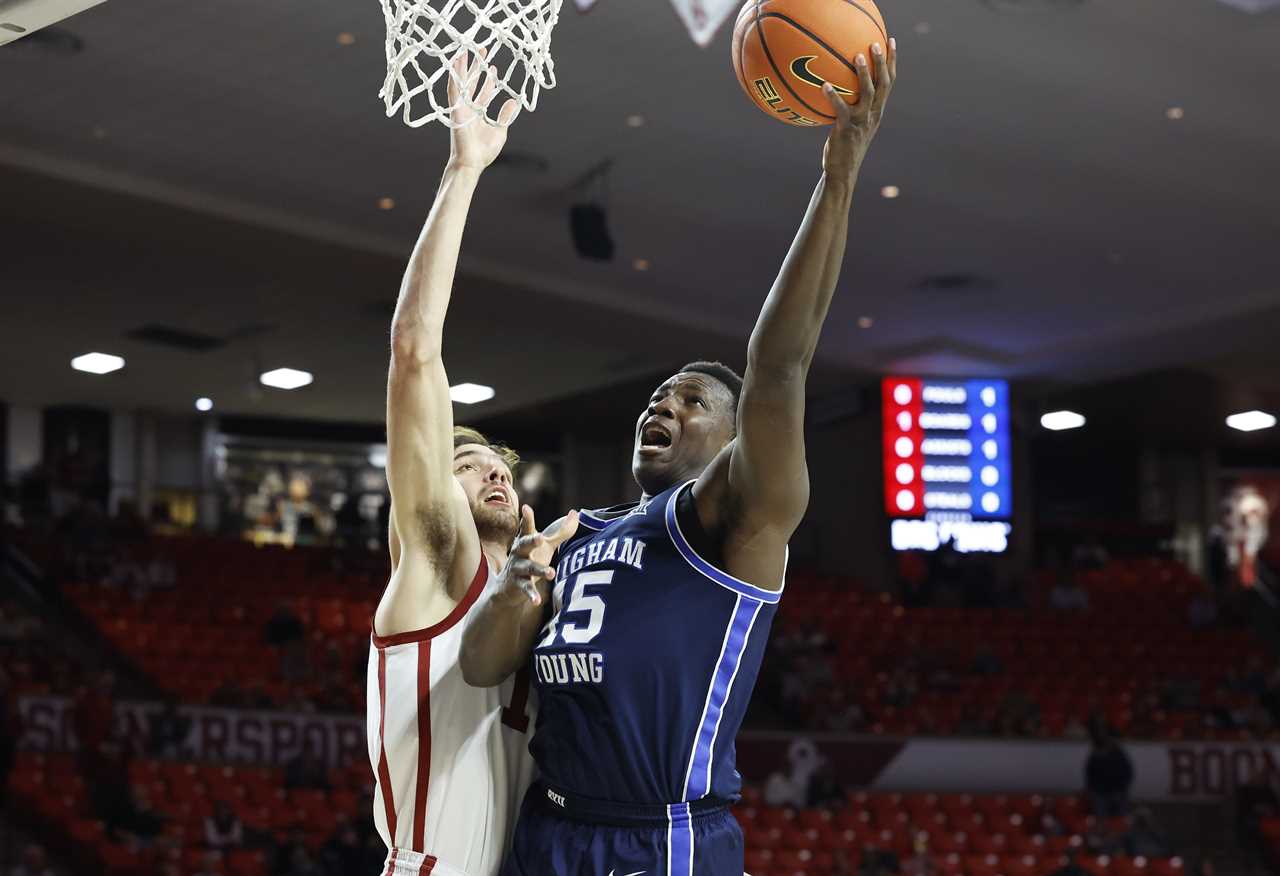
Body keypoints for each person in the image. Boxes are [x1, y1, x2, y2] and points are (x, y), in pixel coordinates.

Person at [461, 37, 897, 876]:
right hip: (547, 829)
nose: (663, 403)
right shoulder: (573, 530)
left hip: (660, 838)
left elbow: (779, 364)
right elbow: (484, 665)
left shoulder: (732, 520)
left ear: (736, 442)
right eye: (658, 394)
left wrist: (837, 177)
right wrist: (520, 583)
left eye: (693, 400)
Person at [363, 51, 553, 876]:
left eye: (499, 465)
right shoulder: (441, 561)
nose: (493, 474)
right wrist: (464, 170)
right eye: (468, 464)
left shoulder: (537, 593)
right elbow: (413, 353)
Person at [1085, 718, 1134, 818]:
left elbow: (1127, 772)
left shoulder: (1118, 754)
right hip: (1100, 793)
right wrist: (1093, 790)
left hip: (1118, 791)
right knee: (1101, 816)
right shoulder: (1095, 755)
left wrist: (1121, 789)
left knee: (1120, 817)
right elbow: (1090, 774)